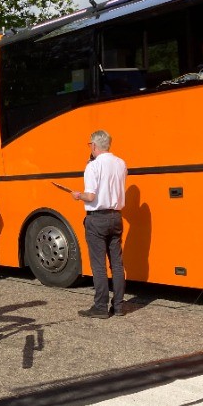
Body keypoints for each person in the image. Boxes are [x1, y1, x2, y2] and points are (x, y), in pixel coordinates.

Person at [71, 130, 127, 319]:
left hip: (97, 218)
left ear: (94, 146)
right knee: (117, 264)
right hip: (116, 216)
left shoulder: (93, 167)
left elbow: (91, 196)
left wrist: (78, 196)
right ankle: (118, 306)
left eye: (90, 145)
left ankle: (101, 307)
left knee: (99, 265)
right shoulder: (121, 163)